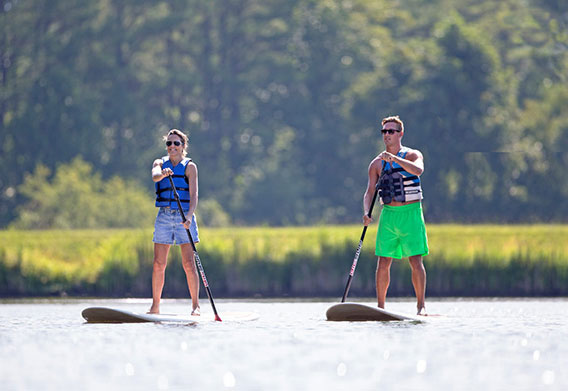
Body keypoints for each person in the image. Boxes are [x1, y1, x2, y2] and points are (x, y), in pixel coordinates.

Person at [362, 115, 429, 315]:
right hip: (389, 215)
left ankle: (421, 306)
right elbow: (369, 192)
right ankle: (381, 308)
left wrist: (395, 159)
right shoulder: (376, 164)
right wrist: (366, 212)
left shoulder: (412, 155)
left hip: (410, 213)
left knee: (415, 260)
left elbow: (418, 171)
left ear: (400, 133)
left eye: (391, 131)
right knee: (383, 261)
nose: (387, 135)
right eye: (384, 131)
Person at [148, 129, 200, 315]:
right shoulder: (159, 163)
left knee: (188, 264)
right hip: (164, 216)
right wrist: (163, 174)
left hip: (184, 216)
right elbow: (155, 176)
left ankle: (195, 306)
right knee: (158, 264)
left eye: (176, 143)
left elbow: (194, 195)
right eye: (169, 143)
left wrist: (188, 216)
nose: (172, 147)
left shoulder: (190, 167)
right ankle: (155, 307)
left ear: (183, 146)